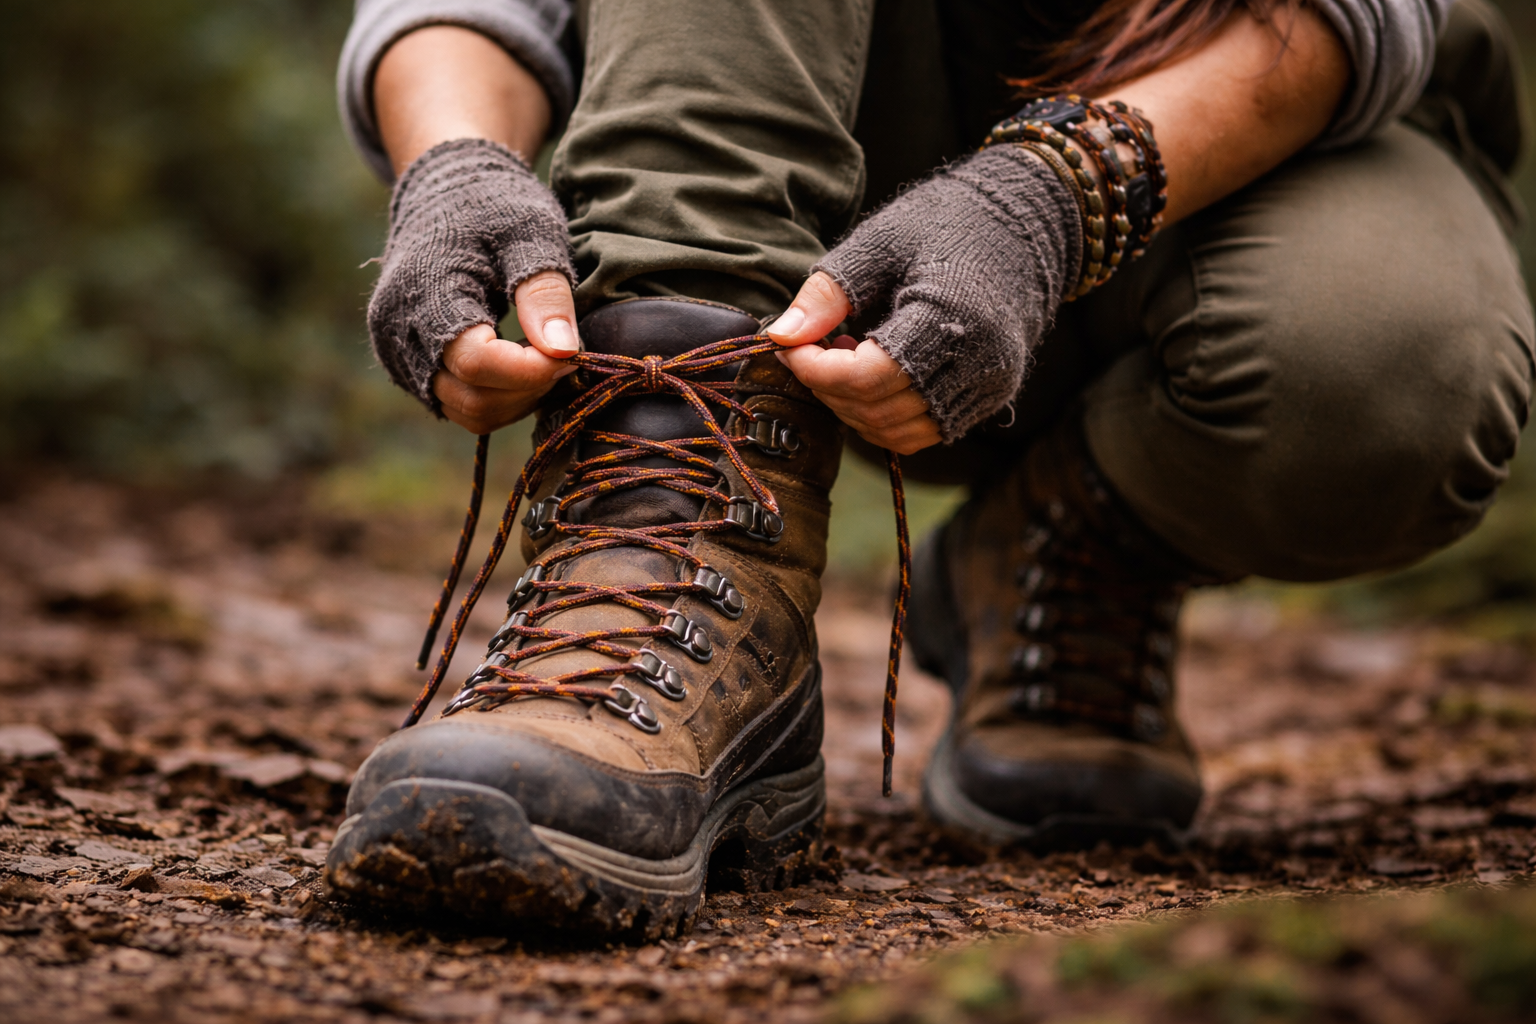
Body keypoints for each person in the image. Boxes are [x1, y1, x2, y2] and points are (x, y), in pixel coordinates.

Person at [324, 0, 1533, 938]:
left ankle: (1070, 539)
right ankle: (678, 529)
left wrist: (1055, 195)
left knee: (1387, 372)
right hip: (763, 121)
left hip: (1241, 114)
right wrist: (457, 162)